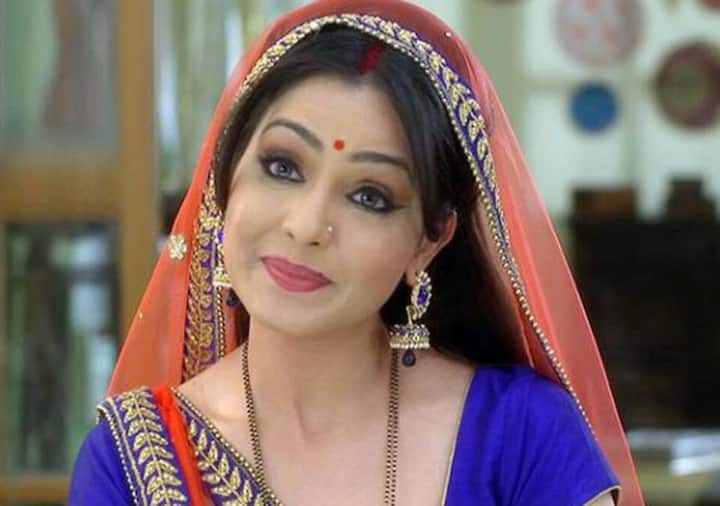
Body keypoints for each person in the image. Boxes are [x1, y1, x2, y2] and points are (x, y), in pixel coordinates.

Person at [68, 0, 644, 504]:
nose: (306, 226)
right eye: (282, 167)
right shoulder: (137, 462)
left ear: (429, 240)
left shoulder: (522, 438)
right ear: (226, 180)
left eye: (370, 196)